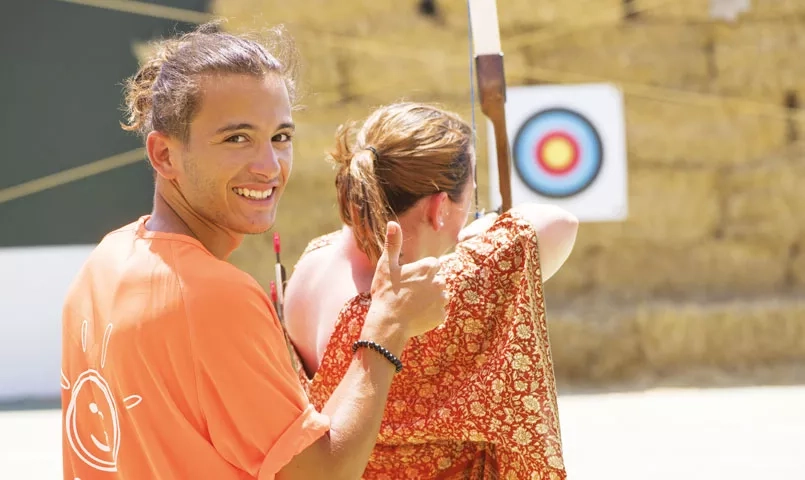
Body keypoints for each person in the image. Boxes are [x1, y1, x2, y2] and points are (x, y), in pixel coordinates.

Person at [60, 24, 449, 480]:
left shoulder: (105, 261)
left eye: (281, 137)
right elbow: (322, 474)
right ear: (164, 154)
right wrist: (389, 327)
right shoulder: (215, 297)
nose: (269, 167)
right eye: (236, 138)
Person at [284, 102, 578, 478]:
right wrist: (486, 235)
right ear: (440, 207)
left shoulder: (314, 260)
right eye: (471, 196)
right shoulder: (426, 301)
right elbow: (561, 224)